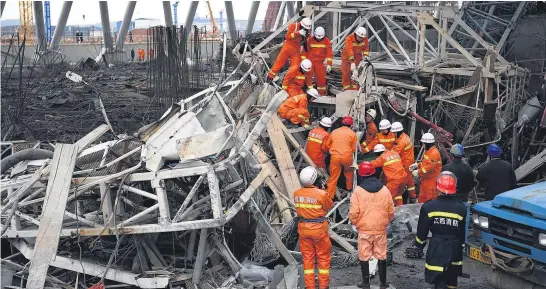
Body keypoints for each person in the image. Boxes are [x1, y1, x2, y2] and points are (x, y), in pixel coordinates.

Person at [405, 171, 466, 289]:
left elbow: (422, 231)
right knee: (452, 279)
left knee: (439, 278)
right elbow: (462, 232)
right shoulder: (461, 208)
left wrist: (419, 245)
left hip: (437, 246)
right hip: (455, 247)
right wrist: (461, 246)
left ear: (438, 187)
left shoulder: (429, 207)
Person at [350, 161, 394, 289]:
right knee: (381, 255)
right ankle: (383, 283)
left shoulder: (358, 191)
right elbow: (391, 209)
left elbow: (354, 211)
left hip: (364, 229)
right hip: (380, 228)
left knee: (364, 255)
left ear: (361, 174)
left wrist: (354, 223)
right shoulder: (385, 189)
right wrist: (387, 221)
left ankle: (366, 283)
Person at [294, 166, 333, 289]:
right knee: (323, 257)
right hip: (319, 229)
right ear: (315, 179)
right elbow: (328, 206)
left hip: (303, 229)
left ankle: (310, 286)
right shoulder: (321, 194)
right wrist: (322, 189)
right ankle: (323, 286)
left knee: (308, 258)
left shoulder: (297, 194)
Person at [324, 116, 358, 199]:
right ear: (351, 125)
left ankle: (330, 197)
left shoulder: (334, 132)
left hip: (335, 157)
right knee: (349, 173)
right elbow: (353, 149)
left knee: (333, 178)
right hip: (347, 157)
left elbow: (327, 145)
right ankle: (349, 191)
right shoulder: (353, 134)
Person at [410, 133, 442, 203]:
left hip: (431, 182)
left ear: (428, 144)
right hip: (425, 181)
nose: (423, 145)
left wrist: (418, 171)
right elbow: (425, 163)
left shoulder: (434, 153)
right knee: (421, 200)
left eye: (424, 143)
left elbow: (430, 167)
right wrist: (417, 165)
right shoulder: (429, 152)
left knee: (430, 202)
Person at [302, 26, 333, 96]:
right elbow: (304, 52)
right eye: (317, 37)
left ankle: (322, 94)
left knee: (321, 78)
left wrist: (329, 64)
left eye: (320, 38)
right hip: (310, 62)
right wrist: (304, 62)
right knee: (308, 77)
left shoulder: (326, 41)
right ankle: (310, 93)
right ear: (315, 34)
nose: (319, 39)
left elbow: (329, 54)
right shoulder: (310, 40)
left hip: (320, 63)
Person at [391, 122, 417, 203]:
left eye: (394, 133)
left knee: (399, 190)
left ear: (398, 132)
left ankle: (400, 205)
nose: (393, 134)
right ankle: (413, 197)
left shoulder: (402, 142)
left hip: (404, 166)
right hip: (409, 164)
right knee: (410, 182)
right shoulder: (405, 136)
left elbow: (394, 154)